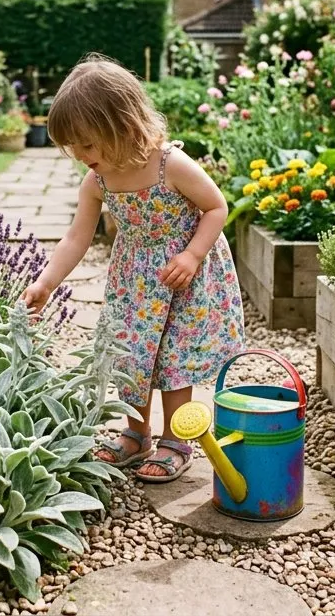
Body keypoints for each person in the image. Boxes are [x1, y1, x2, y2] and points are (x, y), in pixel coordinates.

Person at [22, 55, 244, 482]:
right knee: (131, 355)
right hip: (134, 282)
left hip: (183, 278)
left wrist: (193, 254)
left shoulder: (170, 165)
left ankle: (177, 440)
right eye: (73, 147)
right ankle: (135, 433)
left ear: (122, 126)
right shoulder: (98, 180)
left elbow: (217, 207)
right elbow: (76, 238)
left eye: (87, 144)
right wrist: (46, 282)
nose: (81, 156)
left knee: (177, 357)